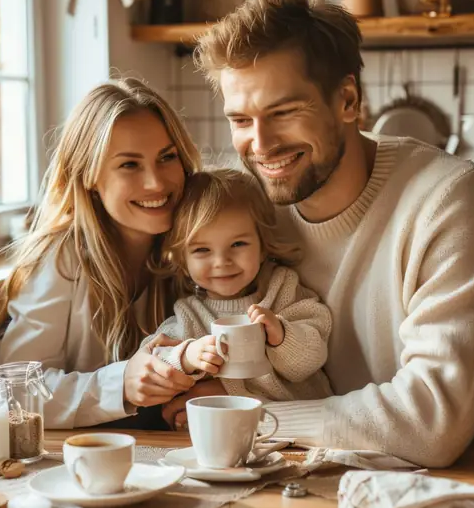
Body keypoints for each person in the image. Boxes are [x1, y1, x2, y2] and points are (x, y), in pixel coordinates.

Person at [163, 0, 474, 467]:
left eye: (284, 112)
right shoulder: (256, 214)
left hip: (459, 491)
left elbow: (431, 425)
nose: (261, 144)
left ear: (348, 100)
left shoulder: (451, 198)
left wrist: (254, 418)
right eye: (241, 119)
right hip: (303, 475)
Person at [0, 78, 201, 429]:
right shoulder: (59, 259)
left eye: (167, 157)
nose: (156, 183)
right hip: (82, 460)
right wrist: (121, 383)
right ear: (90, 177)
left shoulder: (199, 244)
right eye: (130, 165)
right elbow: (15, 394)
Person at [141, 168, 332, 417]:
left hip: (297, 424)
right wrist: (187, 356)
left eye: (238, 244)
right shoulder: (190, 314)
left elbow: (310, 360)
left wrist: (282, 336)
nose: (222, 261)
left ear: (263, 246)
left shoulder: (283, 289)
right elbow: (151, 360)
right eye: (202, 250)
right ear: (182, 261)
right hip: (226, 430)